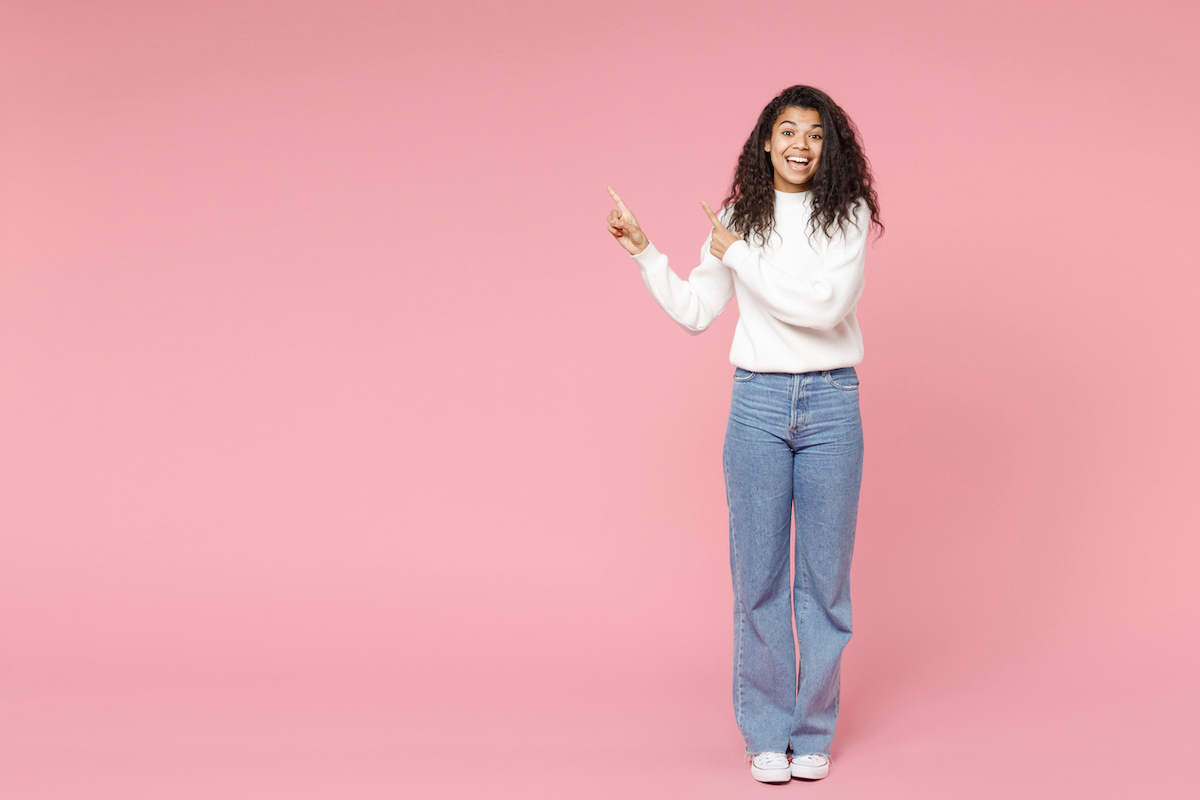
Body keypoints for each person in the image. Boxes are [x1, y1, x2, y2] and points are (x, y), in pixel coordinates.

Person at [605, 85, 882, 784]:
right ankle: (766, 733)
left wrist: (742, 256)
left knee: (824, 585)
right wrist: (646, 253)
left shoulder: (842, 214)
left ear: (829, 147)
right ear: (765, 141)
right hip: (756, 404)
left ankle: (812, 730)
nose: (800, 145)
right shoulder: (736, 218)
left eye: (815, 135)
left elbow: (825, 307)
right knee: (756, 580)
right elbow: (699, 311)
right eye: (787, 131)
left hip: (830, 404)